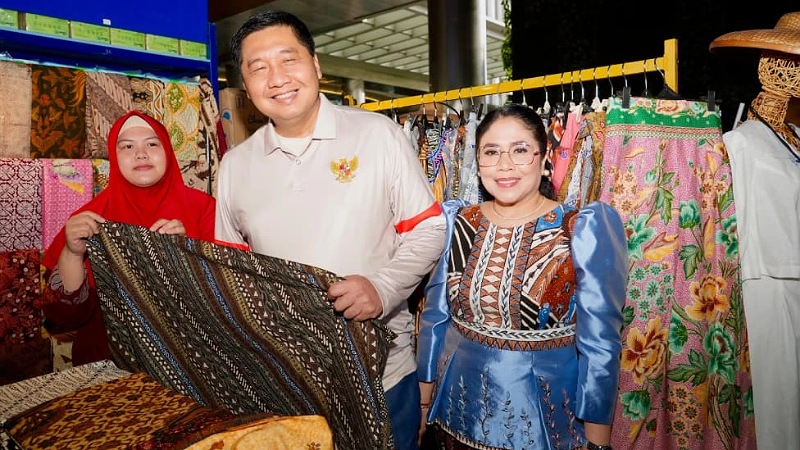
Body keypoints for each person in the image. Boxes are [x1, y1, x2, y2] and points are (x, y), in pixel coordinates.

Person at [215, 10, 447, 450]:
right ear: (246, 87)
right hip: (285, 382)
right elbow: (234, 273)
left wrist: (382, 287)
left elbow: (429, 228)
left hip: (381, 373)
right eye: (258, 67)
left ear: (316, 65)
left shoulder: (377, 136)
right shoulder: (235, 167)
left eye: (289, 59)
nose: (277, 77)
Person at [416, 104, 628, 450]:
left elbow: (601, 344)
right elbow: (436, 319)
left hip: (545, 424)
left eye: (519, 150)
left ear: (545, 159)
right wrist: (423, 405)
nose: (504, 165)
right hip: (453, 415)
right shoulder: (458, 221)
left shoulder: (581, 228)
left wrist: (597, 441)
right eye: (491, 152)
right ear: (478, 161)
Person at [41, 110, 217, 366]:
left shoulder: (204, 209)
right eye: (127, 146)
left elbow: (226, 302)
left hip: (194, 361)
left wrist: (186, 252)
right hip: (109, 363)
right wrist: (72, 253)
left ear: (168, 150)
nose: (141, 153)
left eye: (152, 144)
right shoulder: (89, 218)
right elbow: (64, 316)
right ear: (114, 156)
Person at [711, 12, 800, 450]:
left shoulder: (796, 138)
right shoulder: (740, 142)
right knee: (775, 403)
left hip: (795, 278)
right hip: (765, 282)